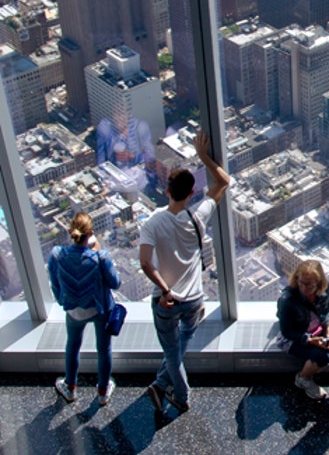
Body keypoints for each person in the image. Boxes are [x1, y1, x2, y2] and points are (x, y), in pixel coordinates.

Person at [139, 130, 230, 413]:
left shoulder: (153, 222)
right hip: (194, 299)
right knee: (180, 346)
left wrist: (165, 290)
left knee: (171, 351)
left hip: (167, 300)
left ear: (166, 191)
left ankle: (181, 395)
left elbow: (145, 263)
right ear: (192, 194)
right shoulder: (198, 216)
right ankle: (161, 386)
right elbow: (224, 182)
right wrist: (203, 155)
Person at [49, 213, 121, 405]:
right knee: (104, 349)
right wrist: (99, 252)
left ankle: (70, 386)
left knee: (73, 345)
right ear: (91, 233)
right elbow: (115, 283)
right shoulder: (99, 257)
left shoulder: (57, 256)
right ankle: (103, 392)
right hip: (99, 308)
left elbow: (55, 284)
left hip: (74, 309)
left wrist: (63, 301)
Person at [276, 260, 329, 406]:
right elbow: (287, 332)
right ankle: (303, 378)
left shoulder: (324, 288)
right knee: (322, 356)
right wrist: (310, 340)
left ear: (319, 282)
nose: (304, 288)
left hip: (319, 325)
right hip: (298, 335)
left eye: (309, 284)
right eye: (301, 283)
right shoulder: (287, 299)